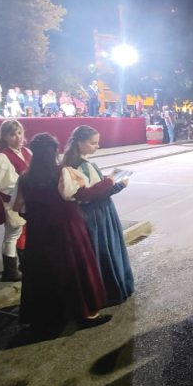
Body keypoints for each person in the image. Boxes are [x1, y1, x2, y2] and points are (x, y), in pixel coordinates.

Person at [12, 133, 111, 333]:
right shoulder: (63, 173)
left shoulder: (24, 178)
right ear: (54, 152)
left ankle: (46, 317)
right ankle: (86, 314)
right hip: (67, 229)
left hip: (39, 232)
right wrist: (108, 182)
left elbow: (18, 207)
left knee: (43, 273)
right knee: (76, 270)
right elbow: (82, 194)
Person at [61, 126, 135, 306]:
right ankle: (109, 291)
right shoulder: (80, 166)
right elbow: (92, 194)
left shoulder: (77, 163)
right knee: (104, 251)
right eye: (93, 142)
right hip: (97, 214)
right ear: (80, 143)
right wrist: (118, 184)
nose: (97, 146)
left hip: (98, 212)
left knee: (103, 251)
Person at [0, 120, 32, 281]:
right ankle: (9, 271)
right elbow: (0, 182)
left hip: (26, 200)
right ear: (5, 137)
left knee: (23, 232)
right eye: (12, 134)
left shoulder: (26, 151)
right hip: (10, 202)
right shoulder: (2, 157)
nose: (17, 137)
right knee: (12, 235)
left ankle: (24, 264)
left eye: (19, 133)